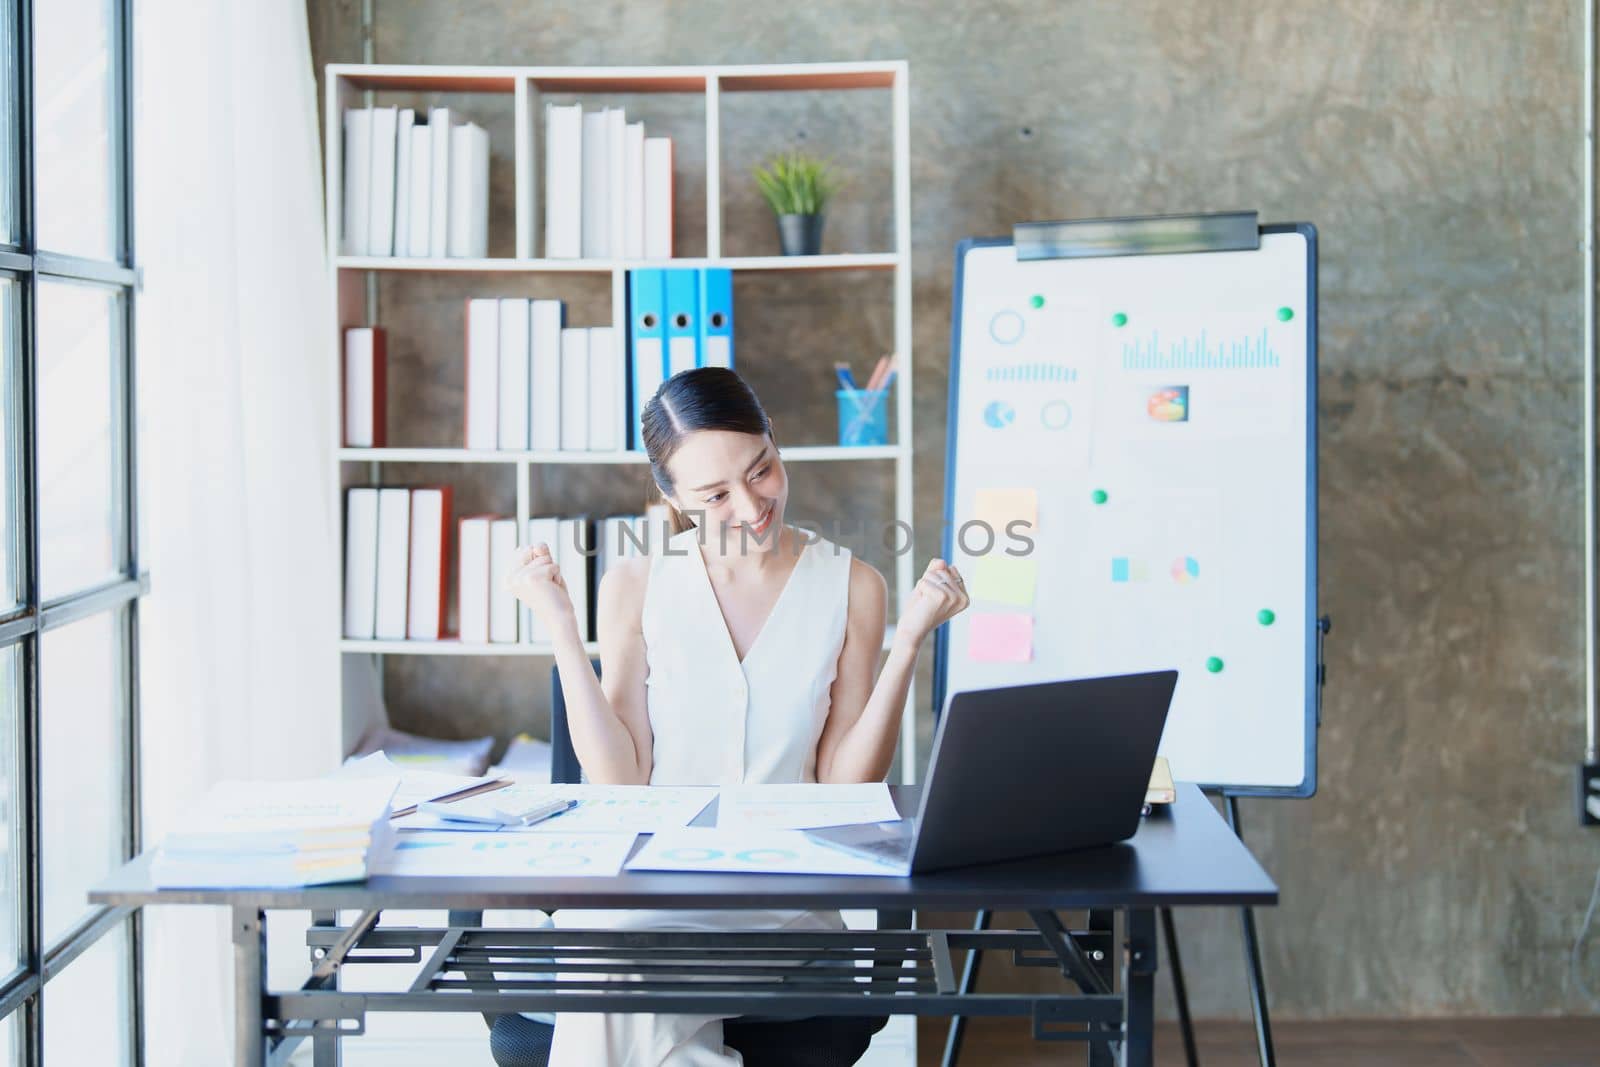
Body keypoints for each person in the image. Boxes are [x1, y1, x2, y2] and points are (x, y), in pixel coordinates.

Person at [508, 367, 969, 1066]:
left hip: (786, 895)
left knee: (609, 974)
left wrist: (908, 642)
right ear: (671, 498)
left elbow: (847, 785)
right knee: (617, 953)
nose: (752, 505)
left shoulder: (853, 585)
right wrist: (563, 628)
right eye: (715, 494)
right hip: (653, 887)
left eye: (762, 470)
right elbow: (620, 781)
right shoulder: (636, 584)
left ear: (776, 445)